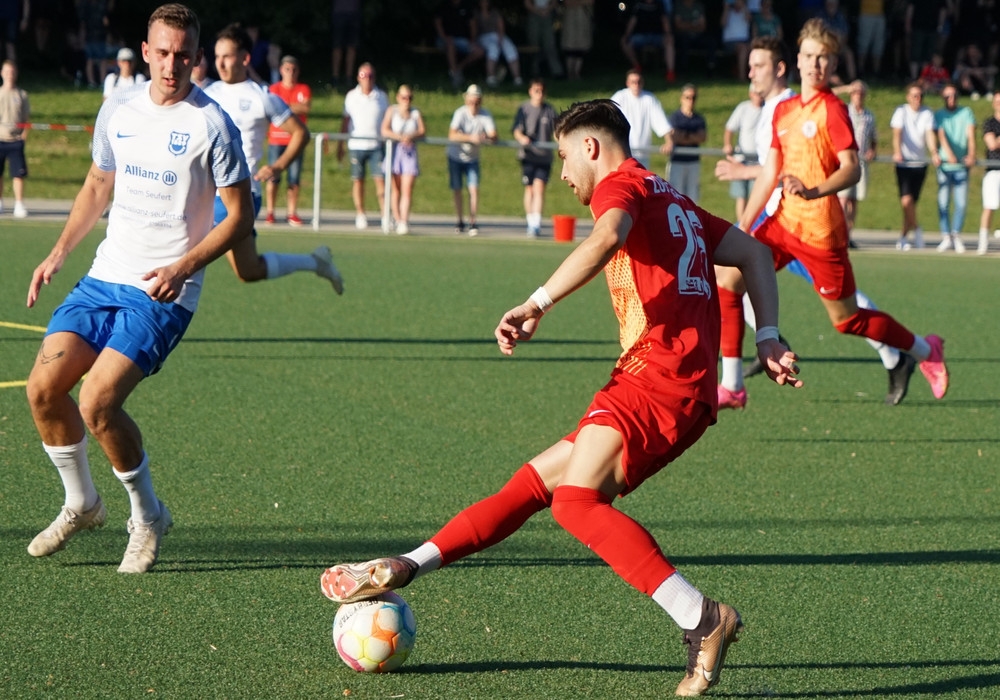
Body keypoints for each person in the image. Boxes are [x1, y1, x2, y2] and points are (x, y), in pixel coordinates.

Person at [320, 98, 804, 697]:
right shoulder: (669, 196)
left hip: (659, 377)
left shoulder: (621, 188)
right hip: (669, 381)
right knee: (531, 487)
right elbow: (756, 253)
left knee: (575, 505)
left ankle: (703, 618)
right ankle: (407, 564)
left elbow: (606, 236)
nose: (565, 173)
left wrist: (536, 303)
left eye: (566, 156)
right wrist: (768, 335)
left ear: (592, 147)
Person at [23, 2, 252, 574]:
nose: (172, 65)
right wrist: (57, 252)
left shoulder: (211, 124)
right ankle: (82, 503)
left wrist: (183, 267)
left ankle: (148, 515)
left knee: (97, 402)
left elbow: (240, 217)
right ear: (146, 52)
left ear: (195, 58)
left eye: (184, 55)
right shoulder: (117, 111)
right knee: (44, 389)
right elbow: (99, 183)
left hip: (162, 291)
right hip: (104, 276)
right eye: (163, 53)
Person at [715, 19, 949, 412]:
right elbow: (771, 172)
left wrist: (814, 189)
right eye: (808, 55)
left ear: (833, 62)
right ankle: (733, 385)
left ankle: (926, 349)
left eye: (823, 57)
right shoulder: (784, 110)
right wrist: (742, 227)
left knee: (847, 320)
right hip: (782, 223)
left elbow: (852, 168)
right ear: (799, 59)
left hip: (821, 232)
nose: (815, 64)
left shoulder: (833, 110)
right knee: (727, 277)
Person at [206, 24, 343, 293]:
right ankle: (316, 262)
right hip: (208, 192)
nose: (220, 62)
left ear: (245, 58)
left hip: (241, 194)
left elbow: (300, 134)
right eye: (217, 56)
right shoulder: (208, 93)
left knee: (188, 251)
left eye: (227, 56)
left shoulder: (262, 97)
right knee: (249, 271)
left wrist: (278, 166)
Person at [338, 62, 388, 231]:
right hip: (356, 144)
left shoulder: (381, 96)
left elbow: (387, 121)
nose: (367, 79)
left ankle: (385, 215)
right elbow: (345, 121)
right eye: (363, 76)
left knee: (380, 181)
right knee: (358, 181)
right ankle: (361, 214)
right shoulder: (351, 96)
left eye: (370, 76)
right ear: (358, 77)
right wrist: (340, 144)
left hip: (376, 145)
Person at [890, 82, 939, 250]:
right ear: (908, 97)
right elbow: (897, 134)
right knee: (906, 200)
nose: (918, 99)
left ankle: (903, 237)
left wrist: (934, 152)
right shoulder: (901, 112)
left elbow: (929, 135)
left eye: (920, 96)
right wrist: (897, 152)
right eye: (914, 96)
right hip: (904, 163)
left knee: (911, 203)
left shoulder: (927, 113)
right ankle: (917, 229)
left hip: (920, 163)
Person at [265, 55, 311, 227]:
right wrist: (292, 107)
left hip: (295, 140)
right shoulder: (274, 89)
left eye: (293, 69)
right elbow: (270, 109)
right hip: (276, 139)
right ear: (281, 70)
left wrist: (283, 107)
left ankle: (292, 212)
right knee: (273, 176)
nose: (290, 73)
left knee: (294, 178)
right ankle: (270, 212)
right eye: (287, 69)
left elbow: (306, 107)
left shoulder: (303, 88)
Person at [446, 83, 496, 236]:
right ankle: (460, 219)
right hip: (456, 156)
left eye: (477, 101)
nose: (474, 104)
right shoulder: (460, 113)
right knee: (457, 188)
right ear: (466, 100)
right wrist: (470, 138)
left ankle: (472, 220)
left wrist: (484, 137)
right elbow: (452, 134)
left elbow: (493, 134)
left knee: (473, 189)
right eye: (471, 101)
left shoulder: (485, 115)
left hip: (472, 158)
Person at [933, 83, 976, 253]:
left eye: (954, 96)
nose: (951, 99)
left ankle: (956, 234)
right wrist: (948, 154)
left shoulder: (966, 113)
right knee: (943, 202)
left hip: (960, 165)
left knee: (961, 202)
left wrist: (971, 154)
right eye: (947, 96)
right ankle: (945, 236)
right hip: (945, 164)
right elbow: (941, 135)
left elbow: (970, 135)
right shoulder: (939, 115)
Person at [512, 78, 557, 237]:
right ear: (531, 91)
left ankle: (536, 222)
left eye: (542, 91)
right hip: (528, 155)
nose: (539, 94)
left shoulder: (549, 110)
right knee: (529, 188)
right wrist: (522, 138)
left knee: (539, 187)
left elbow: (556, 132)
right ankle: (530, 221)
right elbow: (516, 130)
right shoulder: (524, 109)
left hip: (544, 156)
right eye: (536, 91)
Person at [380, 84, 426, 235]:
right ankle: (397, 217)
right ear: (398, 98)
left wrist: (411, 137)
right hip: (394, 151)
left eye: (409, 98)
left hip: (409, 153)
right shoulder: (392, 111)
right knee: (396, 189)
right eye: (404, 97)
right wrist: (400, 137)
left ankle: (403, 221)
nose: (407, 100)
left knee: (407, 189)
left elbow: (422, 130)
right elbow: (384, 129)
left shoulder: (415, 113)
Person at [609, 69, 672, 169]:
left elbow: (660, 121)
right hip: (622, 153)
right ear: (628, 83)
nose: (636, 85)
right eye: (633, 82)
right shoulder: (620, 97)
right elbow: (608, 118)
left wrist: (669, 142)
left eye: (639, 82)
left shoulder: (649, 99)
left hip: (642, 154)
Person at [839, 80, 876, 247]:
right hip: (845, 161)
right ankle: (838, 234)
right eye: (855, 93)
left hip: (861, 162)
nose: (858, 96)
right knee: (843, 199)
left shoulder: (869, 115)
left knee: (854, 201)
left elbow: (873, 139)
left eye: (861, 93)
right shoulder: (844, 111)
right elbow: (825, 95)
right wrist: (846, 87)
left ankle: (848, 234)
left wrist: (872, 150)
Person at [722, 84, 763, 221]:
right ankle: (741, 225)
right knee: (741, 196)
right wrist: (728, 144)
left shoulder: (767, 108)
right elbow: (730, 128)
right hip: (741, 159)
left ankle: (752, 223)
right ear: (750, 93)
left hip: (758, 162)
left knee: (755, 195)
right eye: (755, 93)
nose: (758, 96)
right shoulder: (743, 108)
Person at [619, 0, 675, 83]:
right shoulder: (638, 5)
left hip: (657, 36)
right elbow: (633, 21)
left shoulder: (659, 5)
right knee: (625, 43)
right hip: (641, 37)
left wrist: (668, 34)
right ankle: (637, 66)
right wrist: (626, 35)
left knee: (669, 43)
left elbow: (664, 21)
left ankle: (670, 72)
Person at [0, 58, 29, 218]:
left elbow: (26, 119)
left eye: (12, 72)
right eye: (6, 72)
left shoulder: (21, 94)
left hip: (15, 139)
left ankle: (18, 203)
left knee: (18, 174)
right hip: (0, 138)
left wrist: (23, 136)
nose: (9, 75)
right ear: (2, 74)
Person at [434, 0, 484, 90]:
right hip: (444, 39)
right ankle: (454, 75)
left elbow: (473, 24)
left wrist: (472, 40)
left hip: (462, 40)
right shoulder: (443, 6)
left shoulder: (466, 6)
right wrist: (444, 37)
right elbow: (438, 24)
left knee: (479, 51)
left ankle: (458, 68)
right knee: (450, 45)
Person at [668, 84, 706, 201]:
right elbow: (674, 136)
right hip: (677, 161)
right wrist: (691, 136)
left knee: (692, 195)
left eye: (693, 97)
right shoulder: (675, 118)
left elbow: (702, 137)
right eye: (687, 97)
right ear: (681, 98)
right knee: (675, 194)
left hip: (693, 162)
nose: (691, 100)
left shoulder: (699, 119)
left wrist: (684, 135)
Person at [476, 0, 523, 88]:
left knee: (510, 48)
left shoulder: (495, 13)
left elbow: (500, 27)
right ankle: (491, 77)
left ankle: (517, 78)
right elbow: (474, 29)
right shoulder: (476, 13)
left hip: (498, 35)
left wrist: (500, 40)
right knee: (493, 48)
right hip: (483, 37)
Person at [978, 89, 1000, 255]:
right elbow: (992, 144)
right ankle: (983, 244)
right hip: (993, 169)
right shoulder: (989, 123)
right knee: (989, 206)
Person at [673, 0, 716, 76]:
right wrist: (694, 25)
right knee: (683, 42)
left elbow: (702, 26)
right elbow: (678, 25)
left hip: (698, 36)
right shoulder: (679, 6)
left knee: (711, 41)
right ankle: (683, 69)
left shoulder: (699, 6)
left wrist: (686, 25)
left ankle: (710, 68)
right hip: (683, 36)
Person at [523, 0, 563, 79]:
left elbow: (554, 2)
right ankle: (534, 71)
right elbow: (527, 3)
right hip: (534, 15)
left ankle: (557, 71)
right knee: (533, 45)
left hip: (547, 15)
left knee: (550, 44)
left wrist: (547, 9)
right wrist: (538, 11)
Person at [330, 0, 361, 89]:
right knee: (337, 46)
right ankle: (335, 77)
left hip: (354, 12)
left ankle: (349, 78)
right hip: (339, 12)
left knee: (352, 46)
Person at [560, 0, 593, 81]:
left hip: (583, 18)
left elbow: (591, 2)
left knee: (581, 46)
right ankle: (570, 73)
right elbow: (567, 2)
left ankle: (577, 73)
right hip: (570, 19)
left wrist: (577, 3)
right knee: (569, 46)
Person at [721, 0, 751, 80]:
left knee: (752, 48)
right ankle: (742, 77)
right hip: (730, 42)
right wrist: (726, 8)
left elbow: (749, 19)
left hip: (744, 41)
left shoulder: (745, 12)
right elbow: (723, 23)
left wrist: (743, 6)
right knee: (743, 48)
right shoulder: (728, 13)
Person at [856, 0, 886, 77]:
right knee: (864, 43)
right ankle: (860, 71)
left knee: (878, 44)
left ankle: (876, 72)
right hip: (866, 14)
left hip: (880, 15)